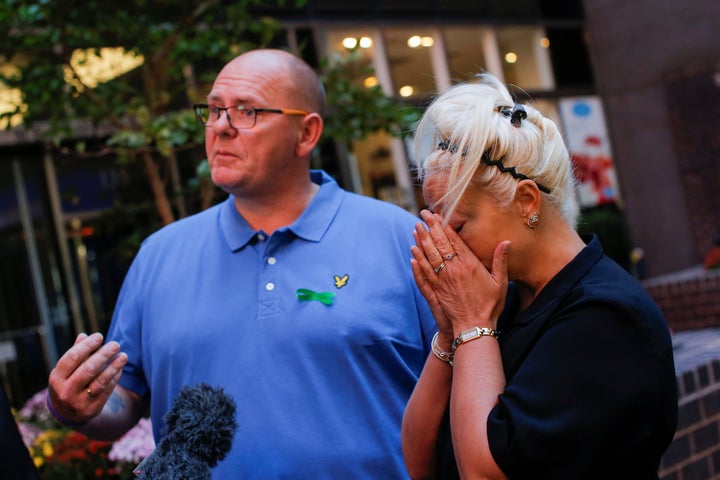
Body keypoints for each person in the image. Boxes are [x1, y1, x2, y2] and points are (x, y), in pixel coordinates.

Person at [46, 49, 435, 479]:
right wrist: (77, 406)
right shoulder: (159, 254)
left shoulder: (403, 239)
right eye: (213, 110)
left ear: (306, 134)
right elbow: (125, 399)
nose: (221, 127)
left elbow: (463, 382)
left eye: (246, 111)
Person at [401, 73, 677, 479]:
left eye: (457, 228)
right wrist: (448, 334)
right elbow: (417, 461)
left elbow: (485, 473)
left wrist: (472, 325)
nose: (446, 247)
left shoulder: (605, 317)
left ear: (527, 201)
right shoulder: (504, 300)